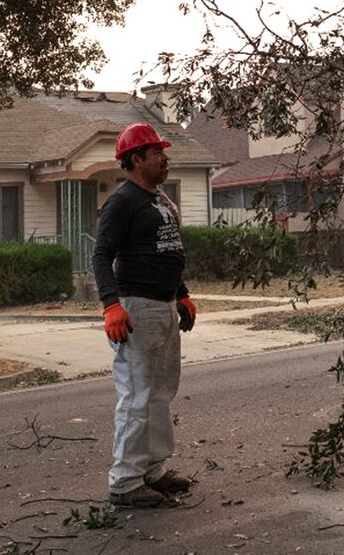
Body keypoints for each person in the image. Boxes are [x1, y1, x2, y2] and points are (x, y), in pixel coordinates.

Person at [92, 122, 197, 508]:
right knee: (136, 395)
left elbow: (167, 249)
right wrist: (111, 305)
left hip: (165, 306)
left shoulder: (160, 198)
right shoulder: (122, 202)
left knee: (160, 393)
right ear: (136, 160)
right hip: (136, 307)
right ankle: (124, 482)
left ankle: (152, 470)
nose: (164, 158)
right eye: (156, 153)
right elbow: (102, 255)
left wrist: (182, 295)